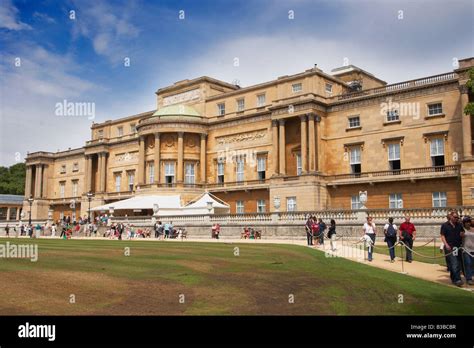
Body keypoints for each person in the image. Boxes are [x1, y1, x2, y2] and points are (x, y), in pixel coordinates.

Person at [440, 211, 464, 286]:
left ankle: (454, 278)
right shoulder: (445, 225)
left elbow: (462, 232)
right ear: (451, 217)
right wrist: (446, 244)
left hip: (458, 246)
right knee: (454, 263)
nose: (456, 219)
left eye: (457, 217)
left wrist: (462, 234)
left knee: (457, 263)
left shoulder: (459, 225)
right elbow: (442, 235)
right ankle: (457, 279)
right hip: (449, 247)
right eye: (455, 217)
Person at [461, 216, 474, 285]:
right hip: (466, 250)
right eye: (466, 222)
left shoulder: (473, 229)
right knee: (468, 264)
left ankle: (471, 276)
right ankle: (468, 278)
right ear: (464, 223)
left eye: (469, 222)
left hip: (473, 249)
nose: (468, 223)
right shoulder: (462, 230)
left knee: (472, 264)